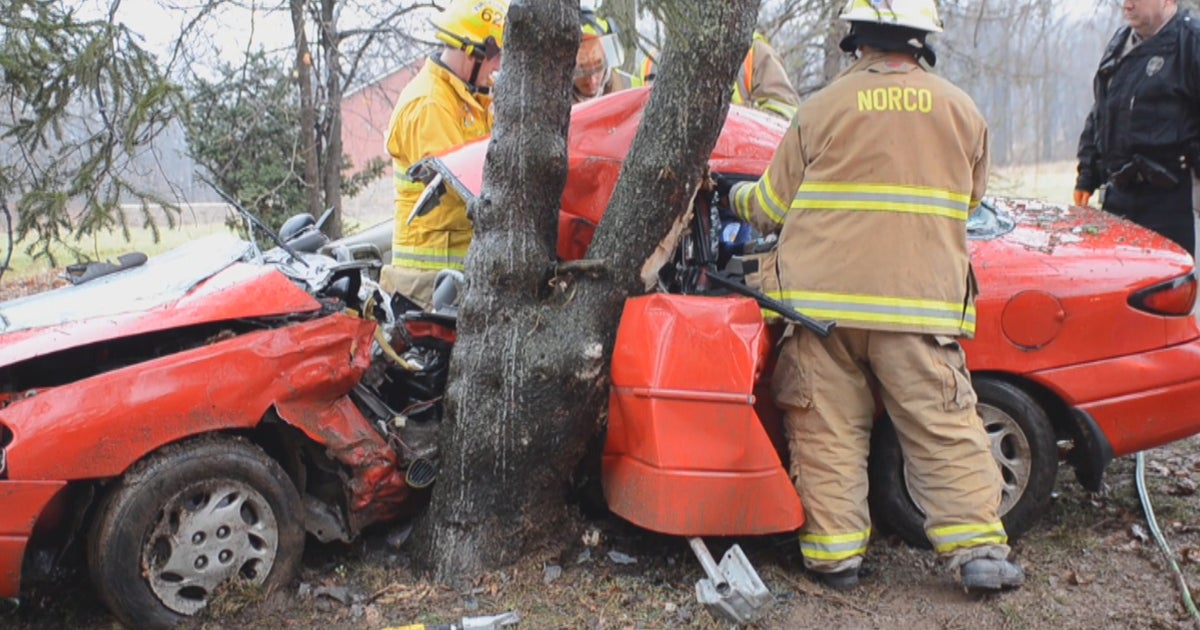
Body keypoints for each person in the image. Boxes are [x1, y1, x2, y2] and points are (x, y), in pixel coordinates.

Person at [723, 0, 1024, 592]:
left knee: (826, 429)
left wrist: (733, 195)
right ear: (922, 40)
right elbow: (967, 206)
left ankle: (836, 560)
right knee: (942, 426)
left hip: (819, 310)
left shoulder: (822, 108)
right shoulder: (962, 112)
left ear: (854, 38)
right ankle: (979, 555)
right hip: (918, 308)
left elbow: (770, 210)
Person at [381, 0, 508, 309]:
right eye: (497, 58)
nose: (499, 67)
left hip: (453, 278)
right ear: (472, 53)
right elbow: (464, 193)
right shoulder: (429, 105)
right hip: (428, 286)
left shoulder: (470, 99)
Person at [1074, 0, 1200, 258]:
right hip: (1120, 196)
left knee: (1167, 292)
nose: (1126, 4)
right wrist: (1088, 175)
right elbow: (1100, 112)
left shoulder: (1191, 42)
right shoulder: (1119, 43)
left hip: (1173, 201)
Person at [635, 32, 801, 120]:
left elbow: (786, 121)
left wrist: (732, 116)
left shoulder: (755, 54)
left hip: (733, 175)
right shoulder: (651, 62)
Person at [573, 1, 628, 103]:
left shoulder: (629, 90)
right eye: (582, 69)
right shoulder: (546, 103)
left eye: (598, 65)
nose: (592, 80)